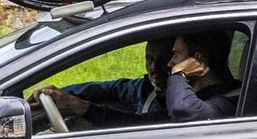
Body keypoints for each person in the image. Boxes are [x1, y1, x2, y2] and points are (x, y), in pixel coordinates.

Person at [28, 37, 173, 129]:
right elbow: (109, 89)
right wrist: (59, 94)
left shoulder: (185, 102)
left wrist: (77, 104)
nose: (154, 67)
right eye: (149, 59)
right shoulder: (148, 88)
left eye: (164, 59)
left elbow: (137, 124)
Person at [164, 31, 241, 122]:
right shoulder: (201, 95)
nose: (170, 63)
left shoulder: (229, 102)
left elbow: (184, 111)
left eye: (176, 54)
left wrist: (178, 73)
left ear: (198, 60)